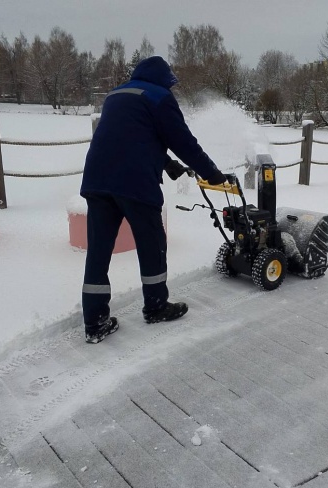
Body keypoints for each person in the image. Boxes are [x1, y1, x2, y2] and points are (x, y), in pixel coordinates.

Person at [80, 55, 227, 344]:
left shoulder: (116, 95)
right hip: (135, 184)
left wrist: (166, 163)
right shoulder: (160, 98)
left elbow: (130, 137)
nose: (171, 89)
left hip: (97, 181)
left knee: (98, 252)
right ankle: (156, 307)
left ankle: (95, 323)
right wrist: (212, 173)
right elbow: (184, 142)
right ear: (164, 80)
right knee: (152, 246)